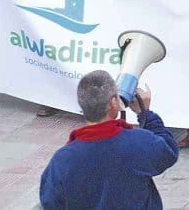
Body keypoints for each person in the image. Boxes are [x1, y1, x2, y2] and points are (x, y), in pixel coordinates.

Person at [39, 71, 177, 209]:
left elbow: (50, 202)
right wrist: (145, 113)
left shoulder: (62, 159)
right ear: (113, 103)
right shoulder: (139, 142)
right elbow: (169, 150)